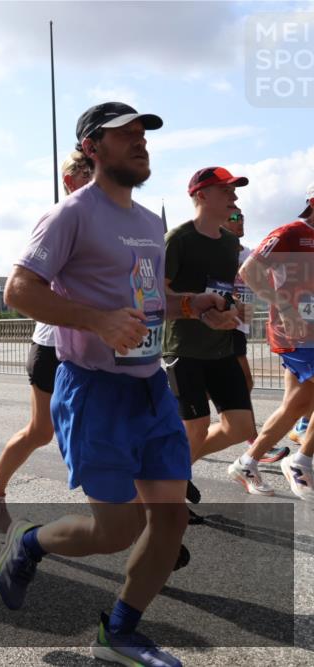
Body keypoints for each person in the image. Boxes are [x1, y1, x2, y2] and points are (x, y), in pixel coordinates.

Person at [0, 102, 237, 667]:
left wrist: (195, 305)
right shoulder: (71, 215)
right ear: (92, 147)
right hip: (94, 391)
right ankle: (29, 542)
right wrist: (96, 321)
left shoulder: (149, 222)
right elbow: (18, 290)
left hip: (151, 389)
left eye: (143, 135)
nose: (139, 142)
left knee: (170, 518)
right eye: (124, 135)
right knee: (116, 531)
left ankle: (120, 633)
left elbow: (151, 301)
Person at [0, 149, 92, 532]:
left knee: (104, 424)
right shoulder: (61, 222)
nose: (96, 179)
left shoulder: (111, 223)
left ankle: (131, 515)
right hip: (53, 346)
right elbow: (22, 288)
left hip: (95, 343)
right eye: (86, 172)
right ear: (69, 181)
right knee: (42, 431)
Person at [163, 167, 258, 504]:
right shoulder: (177, 239)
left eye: (234, 190)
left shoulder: (231, 244)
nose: (234, 196)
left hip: (222, 348)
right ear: (201, 196)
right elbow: (157, 293)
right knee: (196, 426)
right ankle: (168, 493)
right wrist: (198, 309)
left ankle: (173, 472)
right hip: (184, 348)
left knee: (242, 427)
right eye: (226, 191)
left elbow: (225, 290)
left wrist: (233, 308)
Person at [229, 181, 314, 496]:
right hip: (294, 331)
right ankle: (301, 461)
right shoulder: (290, 233)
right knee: (298, 405)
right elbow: (249, 271)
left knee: (296, 405)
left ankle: (247, 462)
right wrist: (286, 308)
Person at [222, 210, 289, 464]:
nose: (240, 221)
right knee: (244, 382)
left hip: (242, 326)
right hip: (224, 325)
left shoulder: (248, 252)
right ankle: (255, 445)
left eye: (242, 217)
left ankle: (164, 420)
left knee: (215, 388)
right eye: (234, 217)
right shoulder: (219, 252)